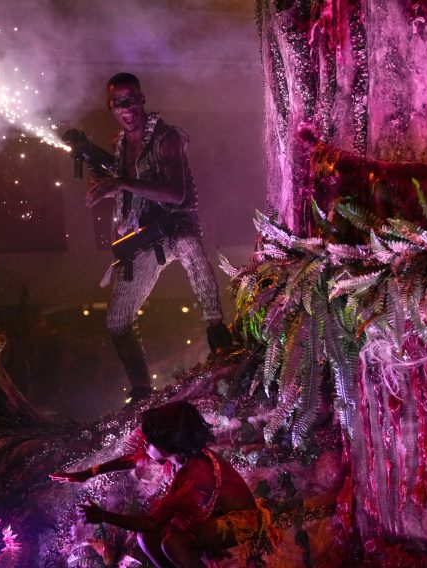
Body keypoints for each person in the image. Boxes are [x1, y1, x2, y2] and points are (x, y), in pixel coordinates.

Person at [86, 73, 234, 400]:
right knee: (116, 321)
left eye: (131, 100)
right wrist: (108, 187)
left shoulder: (168, 138)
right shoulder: (119, 144)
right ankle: (141, 391)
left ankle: (221, 342)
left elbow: (177, 194)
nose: (127, 109)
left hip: (178, 224)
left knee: (191, 250)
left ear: (142, 99)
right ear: (111, 107)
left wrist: (120, 185)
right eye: (118, 103)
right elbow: (133, 188)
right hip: (148, 237)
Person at [50, 400, 274, 567]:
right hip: (216, 513)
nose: (145, 445)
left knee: (172, 542)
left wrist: (103, 516)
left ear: (167, 445)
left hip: (243, 522)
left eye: (149, 442)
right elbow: (133, 460)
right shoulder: (179, 454)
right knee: (145, 537)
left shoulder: (193, 471)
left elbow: (155, 523)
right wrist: (89, 473)